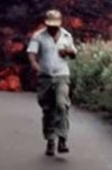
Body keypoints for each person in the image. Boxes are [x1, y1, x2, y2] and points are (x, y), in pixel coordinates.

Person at [27, 9, 77, 156]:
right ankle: (50, 140)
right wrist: (35, 65)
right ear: (46, 23)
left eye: (55, 25)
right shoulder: (38, 36)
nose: (53, 28)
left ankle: (62, 139)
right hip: (45, 77)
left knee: (62, 105)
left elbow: (74, 54)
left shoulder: (67, 36)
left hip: (62, 75)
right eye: (50, 25)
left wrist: (69, 52)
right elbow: (31, 53)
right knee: (48, 109)